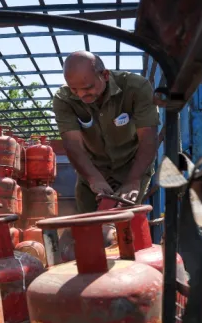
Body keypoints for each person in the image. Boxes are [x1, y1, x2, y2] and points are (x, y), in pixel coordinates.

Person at [53, 51, 160, 213]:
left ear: (105, 75)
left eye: (88, 88)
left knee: (125, 221)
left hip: (132, 166)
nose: (82, 95)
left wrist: (133, 180)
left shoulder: (137, 88)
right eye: (75, 89)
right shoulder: (63, 98)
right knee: (89, 225)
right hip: (91, 168)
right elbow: (72, 144)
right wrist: (93, 178)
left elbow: (148, 137)